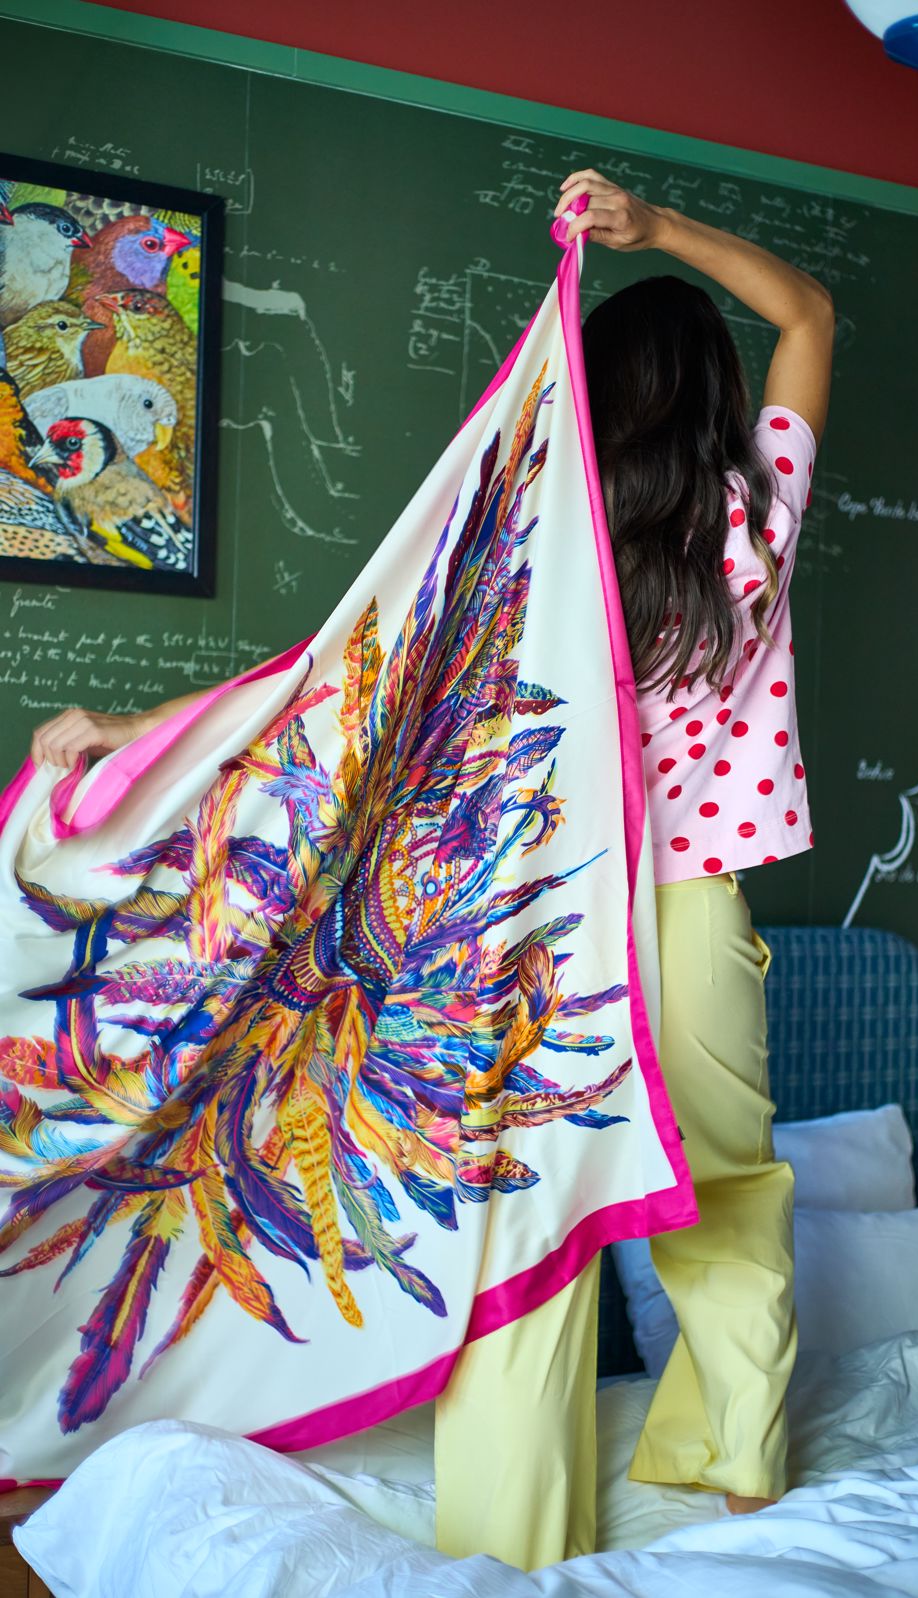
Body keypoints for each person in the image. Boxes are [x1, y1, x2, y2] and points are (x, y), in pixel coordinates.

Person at [27, 170, 832, 1568]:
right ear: (714, 399)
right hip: (691, 913)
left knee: (526, 1240)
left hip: (541, 920)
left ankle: (511, 1542)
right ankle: (743, 1471)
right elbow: (808, 311)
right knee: (729, 1195)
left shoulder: (537, 553)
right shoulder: (752, 520)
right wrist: (657, 229)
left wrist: (133, 730)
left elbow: (339, 680)